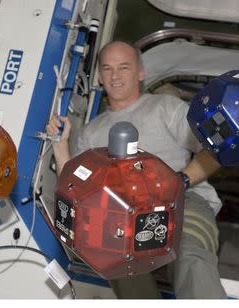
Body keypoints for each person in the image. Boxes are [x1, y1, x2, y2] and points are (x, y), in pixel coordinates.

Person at [47, 40, 227, 299]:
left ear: (140, 73)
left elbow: (215, 149)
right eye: (107, 69)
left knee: (191, 258)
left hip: (182, 201)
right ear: (99, 76)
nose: (115, 76)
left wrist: (181, 181)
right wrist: (61, 144)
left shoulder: (165, 107)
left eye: (124, 67)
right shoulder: (92, 132)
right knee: (115, 261)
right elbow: (75, 189)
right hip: (119, 215)